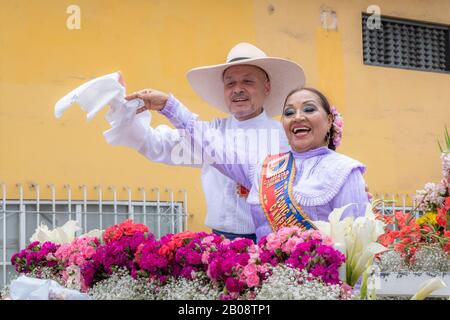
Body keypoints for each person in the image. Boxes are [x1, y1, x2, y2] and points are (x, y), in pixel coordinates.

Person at [105, 43, 306, 241]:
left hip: (269, 241)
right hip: (219, 242)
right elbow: (157, 143)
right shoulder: (210, 132)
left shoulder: (285, 138)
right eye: (230, 83)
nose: (238, 90)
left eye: (247, 82)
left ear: (267, 87)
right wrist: (122, 110)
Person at [127, 87, 369, 242]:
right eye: (289, 112)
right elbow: (213, 147)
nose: (298, 116)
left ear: (329, 121)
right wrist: (168, 105)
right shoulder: (267, 168)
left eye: (308, 109)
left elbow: (357, 248)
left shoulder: (345, 171)